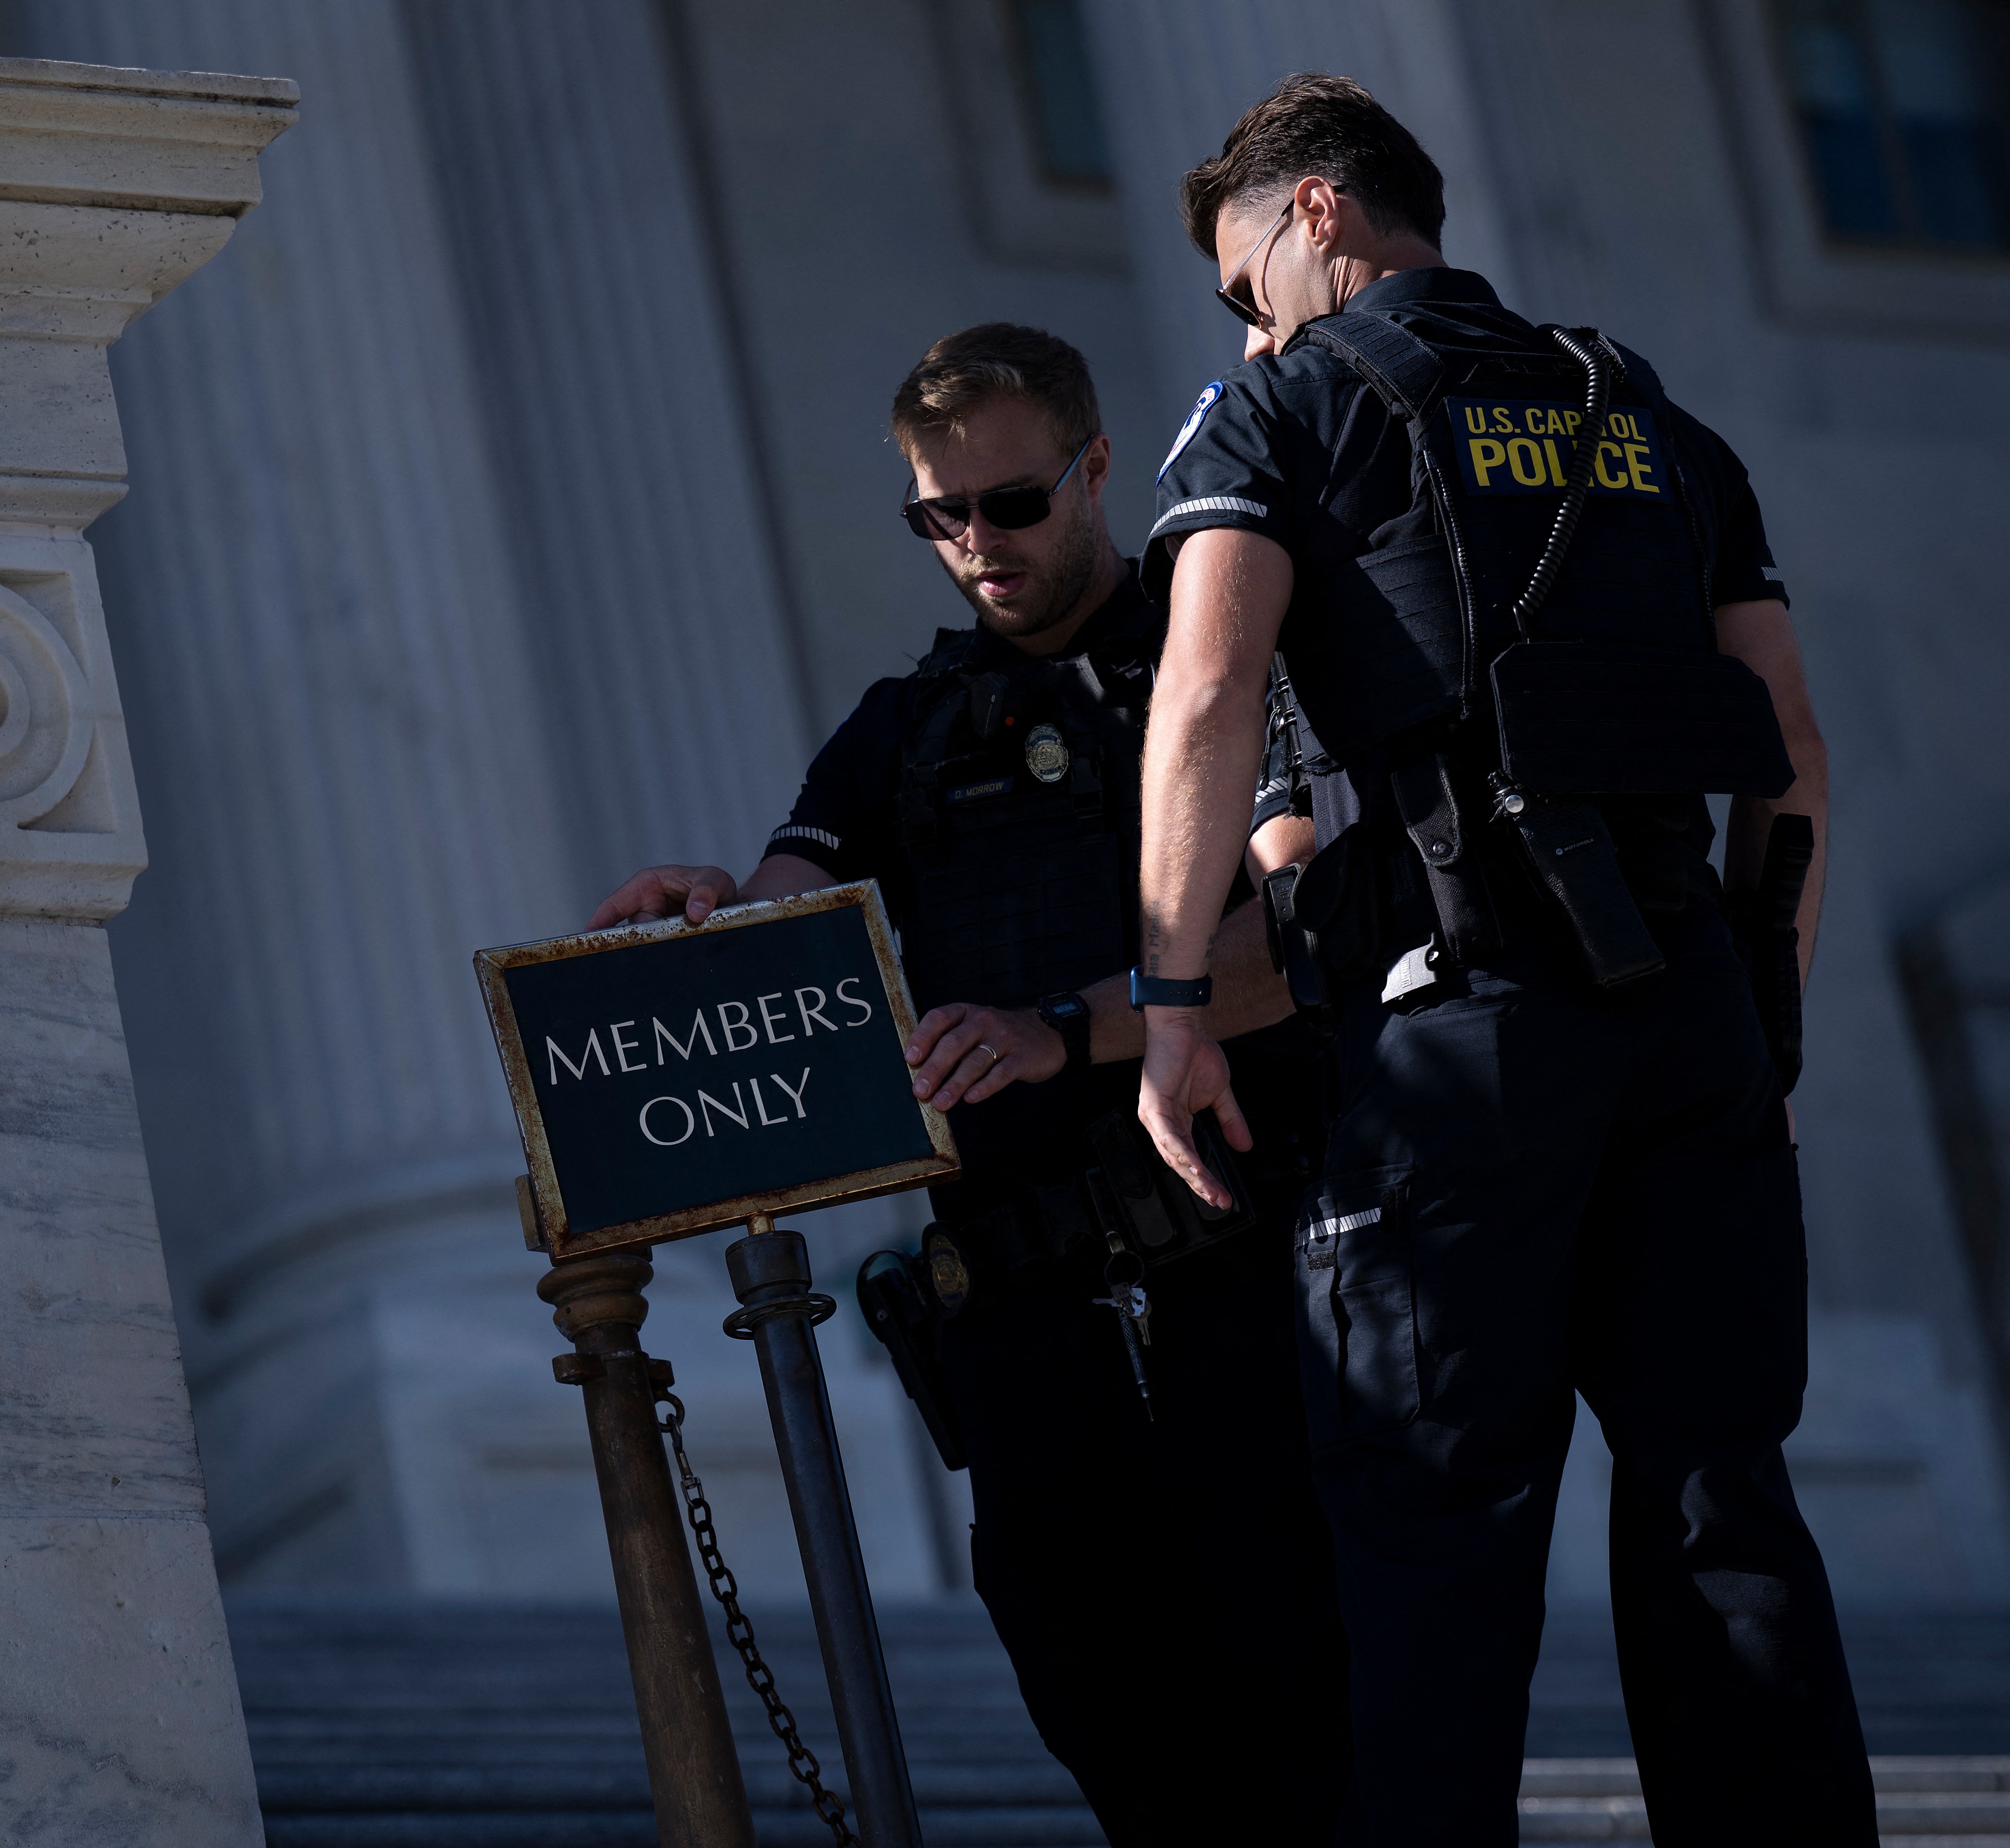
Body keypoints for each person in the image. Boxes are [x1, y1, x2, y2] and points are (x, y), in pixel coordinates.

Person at [1124, 76, 1876, 1845]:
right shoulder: (1649, 414)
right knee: (1722, 1509)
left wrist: (1169, 1007)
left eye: (1244, 280)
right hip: (1692, 1010)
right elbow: (1794, 751)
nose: (1242, 318)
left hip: (1464, 1035)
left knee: (1428, 1530)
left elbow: (1209, 696)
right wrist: (1764, 1013)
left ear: (1317, 213)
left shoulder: (1281, 412)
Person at [588, 323, 1351, 1845]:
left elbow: (1307, 935)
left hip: (1244, 1293)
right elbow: (785, 904)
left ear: (1093, 470)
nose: (978, 546)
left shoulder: (1220, 671)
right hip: (1023, 1322)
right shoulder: (902, 730)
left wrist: (1066, 1031)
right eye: (941, 516)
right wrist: (704, 918)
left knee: (1325, 1737)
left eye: (1010, 504)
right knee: (1122, 1738)